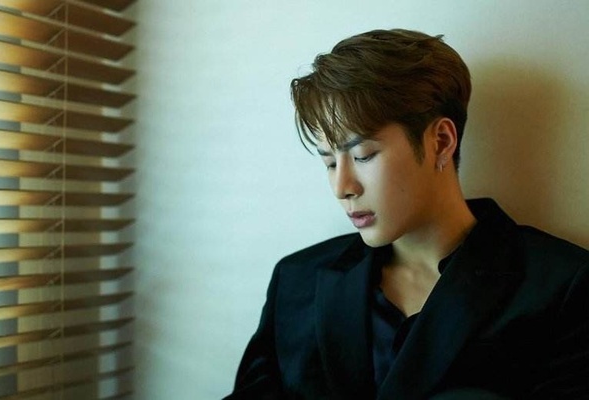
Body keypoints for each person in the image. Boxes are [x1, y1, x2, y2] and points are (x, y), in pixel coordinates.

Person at [223, 29, 589, 399]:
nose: (342, 187)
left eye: (363, 155)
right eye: (330, 163)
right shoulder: (296, 281)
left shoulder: (562, 287)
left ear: (441, 141)